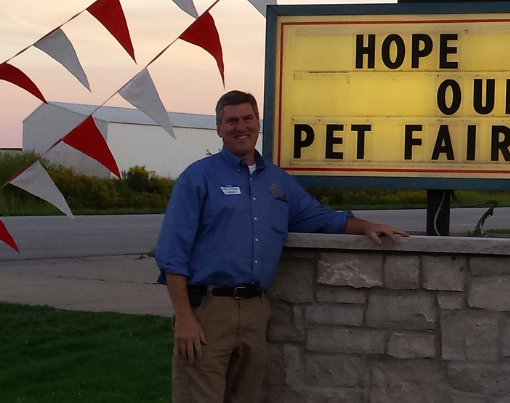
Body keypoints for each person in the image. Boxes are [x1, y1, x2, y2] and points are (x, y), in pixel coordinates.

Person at [156, 90, 408, 403]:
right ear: (219, 128)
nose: (241, 126)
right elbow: (171, 255)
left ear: (258, 123)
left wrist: (367, 226)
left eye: (247, 118)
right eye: (231, 121)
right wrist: (184, 318)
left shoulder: (276, 182)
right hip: (207, 311)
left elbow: (321, 218)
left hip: (255, 311)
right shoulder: (197, 178)